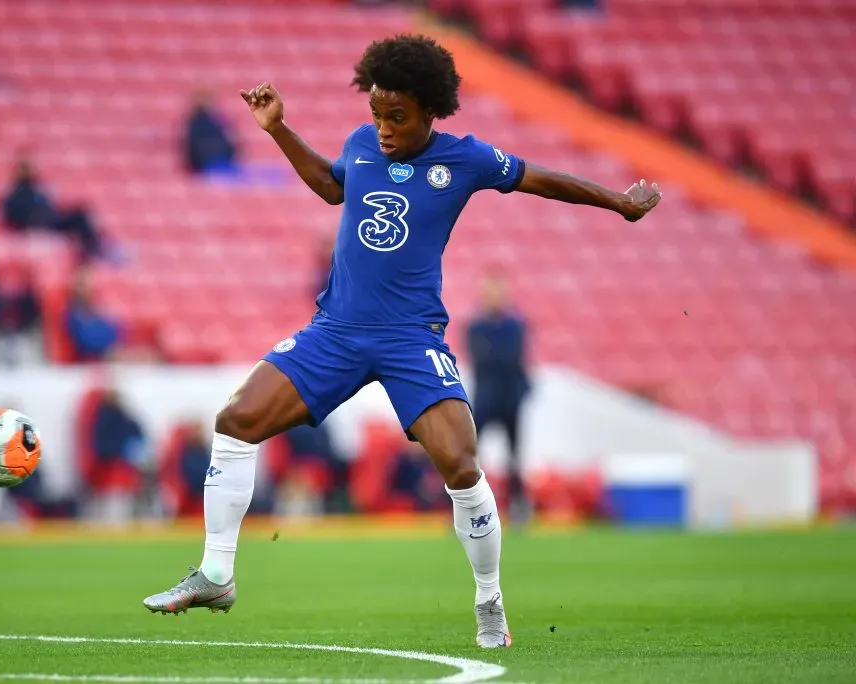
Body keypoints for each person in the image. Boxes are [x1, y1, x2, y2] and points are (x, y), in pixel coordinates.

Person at [142, 34, 661, 647]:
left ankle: (489, 600)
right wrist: (278, 130)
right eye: (377, 114)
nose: (384, 129)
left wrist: (619, 203)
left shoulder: (465, 159)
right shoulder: (361, 145)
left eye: (398, 117)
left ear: (429, 111)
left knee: (462, 464)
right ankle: (217, 575)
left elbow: (540, 179)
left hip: (411, 337)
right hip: (335, 331)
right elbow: (333, 188)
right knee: (235, 420)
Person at [467, 275, 532, 522]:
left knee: (514, 457)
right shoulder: (476, 326)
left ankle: (518, 507)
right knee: (470, 455)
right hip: (485, 398)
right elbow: (483, 359)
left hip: (509, 399)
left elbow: (513, 358)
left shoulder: (515, 325)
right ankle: (467, 508)